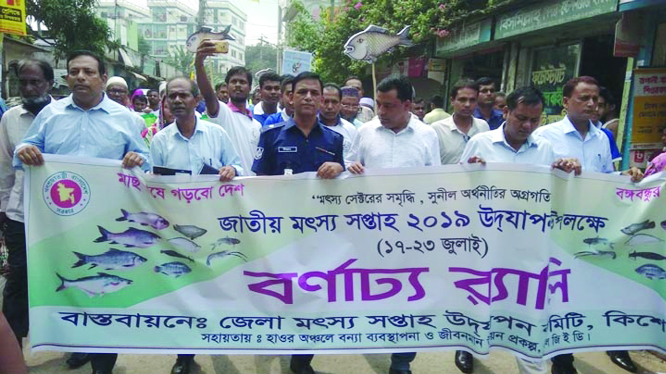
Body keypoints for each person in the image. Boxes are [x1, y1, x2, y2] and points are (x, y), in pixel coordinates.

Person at [14, 50, 150, 374]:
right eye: (74, 71)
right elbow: (22, 153)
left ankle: (103, 363)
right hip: (57, 223)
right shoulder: (51, 114)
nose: (80, 77)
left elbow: (147, 160)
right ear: (66, 78)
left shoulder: (126, 119)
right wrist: (27, 150)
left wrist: (138, 160)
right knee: (72, 286)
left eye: (88, 72)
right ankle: (77, 346)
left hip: (106, 223)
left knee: (106, 292)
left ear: (102, 78)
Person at [460, 87, 582, 374]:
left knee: (529, 313)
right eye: (521, 118)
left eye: (535, 120)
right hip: (486, 244)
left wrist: (569, 170)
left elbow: (556, 193)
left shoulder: (546, 150)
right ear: (506, 112)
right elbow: (457, 188)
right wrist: (470, 173)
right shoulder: (480, 143)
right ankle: (466, 347)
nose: (527, 126)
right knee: (476, 302)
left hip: (529, 248)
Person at [534, 77, 643, 374]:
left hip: (593, 228)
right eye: (584, 98)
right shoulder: (545, 136)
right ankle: (562, 359)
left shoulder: (603, 138)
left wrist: (628, 176)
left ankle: (607, 342)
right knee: (559, 292)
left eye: (596, 99)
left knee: (593, 288)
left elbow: (606, 179)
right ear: (566, 102)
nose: (592, 104)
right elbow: (532, 182)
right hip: (555, 229)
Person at [346, 76, 439, 374]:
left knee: (410, 298)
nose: (381, 111)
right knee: (367, 292)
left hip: (412, 236)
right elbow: (347, 170)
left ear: (408, 105)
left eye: (388, 106)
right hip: (368, 233)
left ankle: (401, 362)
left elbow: (436, 183)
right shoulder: (364, 132)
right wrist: (351, 170)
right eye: (379, 104)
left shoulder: (427, 136)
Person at [152, 77, 242, 374]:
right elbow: (152, 184)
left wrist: (232, 170)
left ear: (196, 100)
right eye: (171, 97)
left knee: (216, 283)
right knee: (182, 289)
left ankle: (219, 335)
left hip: (213, 223)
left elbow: (241, 168)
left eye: (183, 96)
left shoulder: (216, 134)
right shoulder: (160, 140)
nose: (177, 101)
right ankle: (184, 355)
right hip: (177, 226)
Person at [0, 59, 54, 351]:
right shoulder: (10, 118)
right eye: (24, 82)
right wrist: (2, 209)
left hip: (60, 216)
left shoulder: (62, 116)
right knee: (18, 277)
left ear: (49, 83)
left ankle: (77, 342)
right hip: (20, 213)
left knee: (63, 272)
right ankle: (13, 348)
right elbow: (5, 166)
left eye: (36, 82)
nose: (29, 87)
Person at [252, 71, 344, 180]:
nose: (308, 97)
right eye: (302, 92)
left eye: (314, 93)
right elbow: (261, 181)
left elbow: (341, 183)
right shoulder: (270, 136)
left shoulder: (334, 139)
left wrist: (339, 168)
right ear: (291, 98)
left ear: (321, 100)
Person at [195, 39, 262, 175]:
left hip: (253, 189)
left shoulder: (256, 125)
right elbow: (208, 95)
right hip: (230, 187)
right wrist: (199, 64)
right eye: (233, 82)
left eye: (242, 82)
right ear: (227, 86)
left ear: (250, 88)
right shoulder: (223, 113)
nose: (238, 85)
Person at [431, 79, 489, 167]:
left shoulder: (483, 127)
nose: (467, 105)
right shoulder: (437, 129)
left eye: (472, 100)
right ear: (452, 101)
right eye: (462, 100)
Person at [319, 83, 358, 158]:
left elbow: (355, 159)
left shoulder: (351, 129)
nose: (330, 107)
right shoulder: (309, 128)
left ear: (340, 104)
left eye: (334, 102)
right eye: (325, 102)